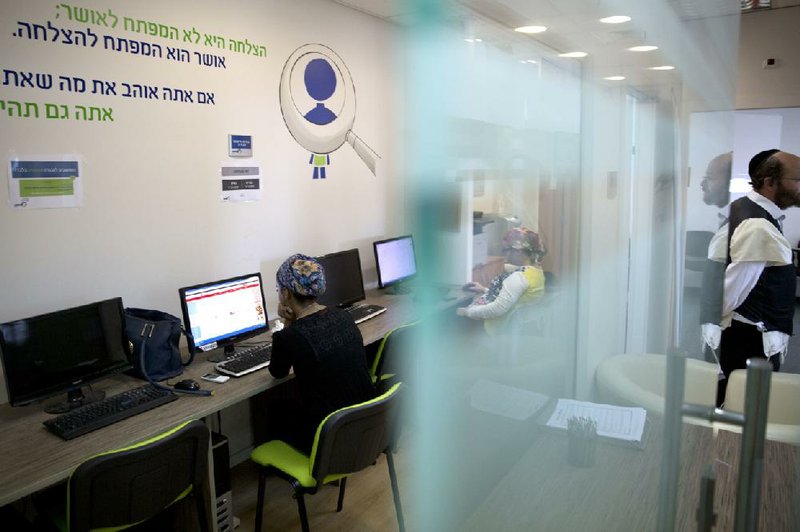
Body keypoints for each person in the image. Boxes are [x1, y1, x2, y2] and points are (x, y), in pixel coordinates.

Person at [267, 253, 376, 453]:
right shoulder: (343, 316)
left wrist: (286, 325)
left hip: (329, 436)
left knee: (275, 408)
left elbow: (278, 371)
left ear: (285, 294)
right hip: (365, 425)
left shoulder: (289, 336)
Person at [716, 149, 800, 406]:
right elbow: (728, 294)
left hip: (747, 337)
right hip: (750, 342)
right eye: (797, 179)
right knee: (743, 413)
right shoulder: (758, 225)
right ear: (770, 182)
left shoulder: (746, 209)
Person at [457, 227, 547, 334]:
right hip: (518, 330)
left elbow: (497, 309)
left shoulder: (518, 278)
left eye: (505, 250)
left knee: (456, 324)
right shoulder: (536, 272)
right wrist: (485, 290)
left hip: (498, 331)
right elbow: (513, 298)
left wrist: (468, 312)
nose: (504, 254)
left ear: (518, 251)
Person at [699, 152, 733, 364]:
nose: (702, 183)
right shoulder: (728, 219)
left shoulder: (745, 226)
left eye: (710, 177)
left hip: (730, 337)